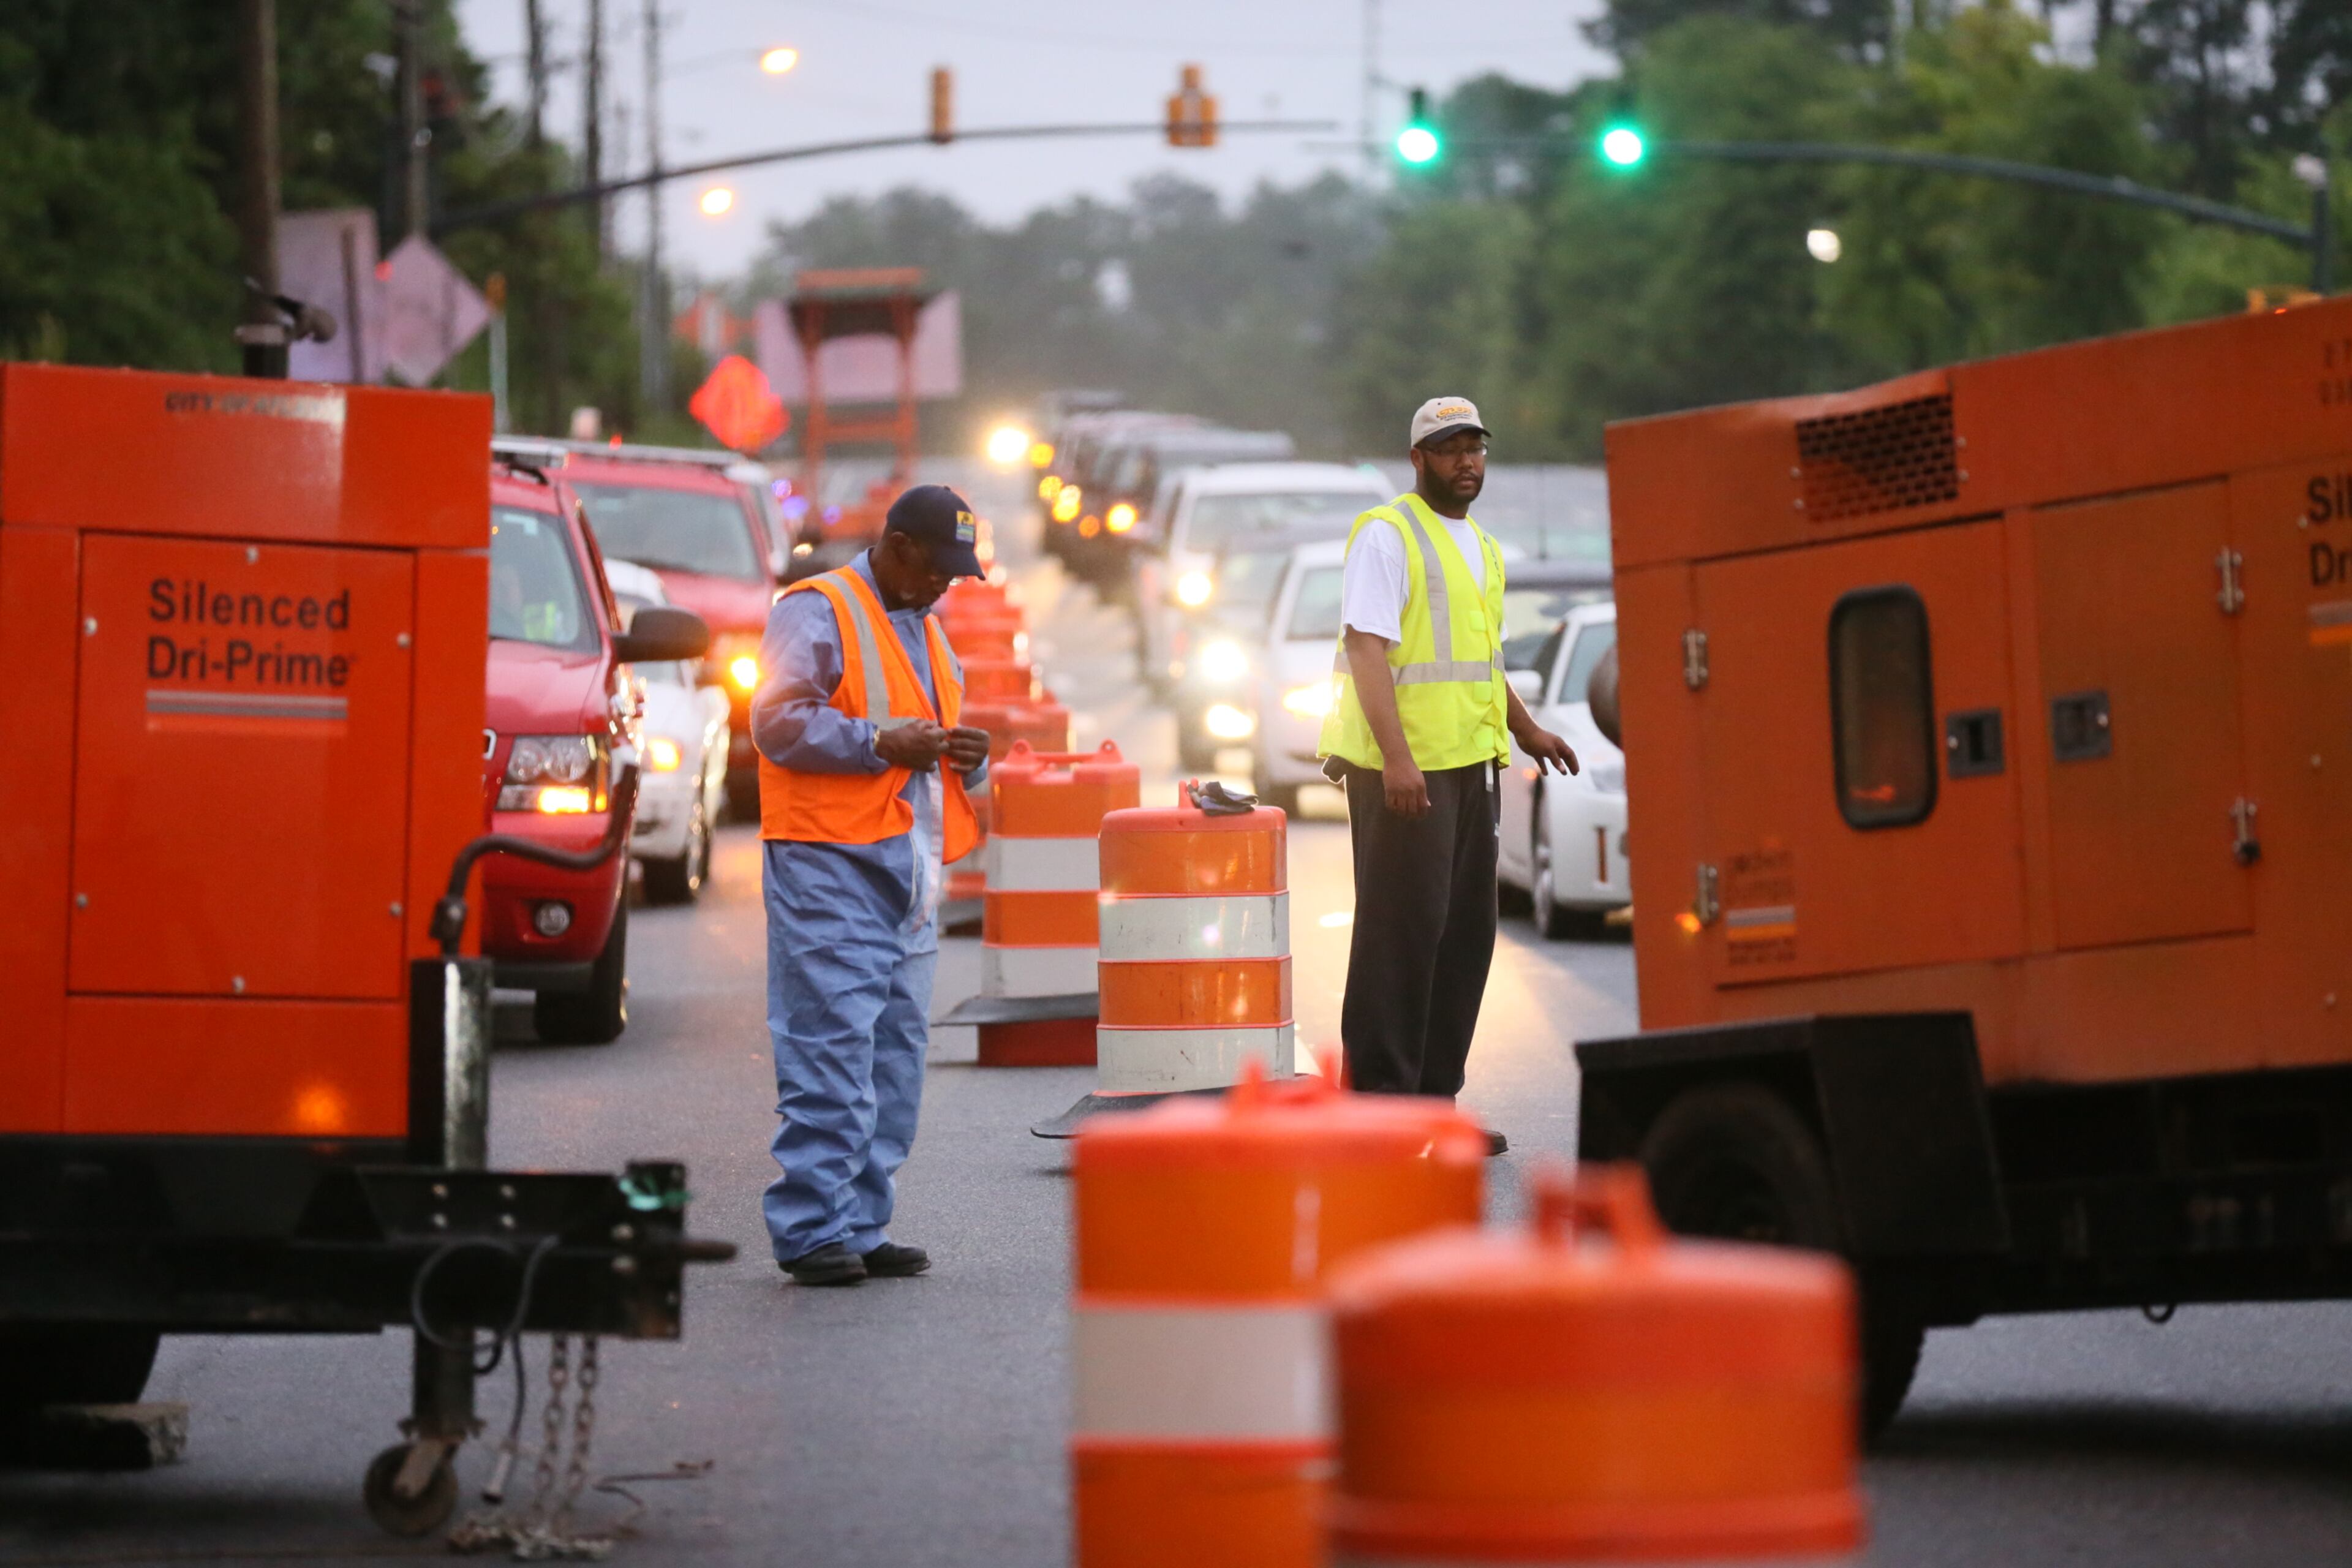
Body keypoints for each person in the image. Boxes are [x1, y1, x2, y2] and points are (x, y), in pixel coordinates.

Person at [1316, 398, 1580, 1151]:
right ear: (1418, 459)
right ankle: (1379, 1112)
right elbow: (1368, 648)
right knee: (1401, 935)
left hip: (1473, 767)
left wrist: (1527, 731)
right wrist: (1398, 759)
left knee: (1466, 935)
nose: (1466, 461)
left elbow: (1482, 662)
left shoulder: (1484, 549)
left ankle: (1435, 1107)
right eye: (1448, 448)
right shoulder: (1387, 535)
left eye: (1475, 447)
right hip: (1404, 771)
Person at [751, 486, 991, 1286]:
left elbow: (923, 726)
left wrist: (969, 754)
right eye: (937, 571)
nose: (946, 587)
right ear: (896, 548)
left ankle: (859, 1220)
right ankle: (813, 1227)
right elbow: (776, 722)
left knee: (894, 1056)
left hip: (907, 869)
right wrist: (878, 741)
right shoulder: (816, 609)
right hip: (828, 864)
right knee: (831, 1048)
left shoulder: (923, 622)